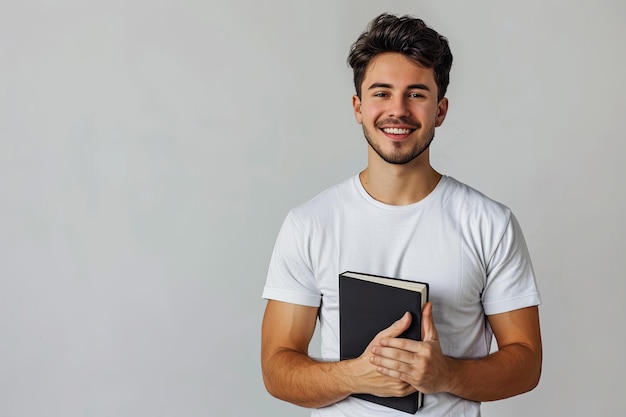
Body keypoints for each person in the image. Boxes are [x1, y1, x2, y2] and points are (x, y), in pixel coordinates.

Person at [261, 13, 542, 417]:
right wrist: (356, 376)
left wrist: (445, 375)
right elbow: (276, 369)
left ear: (440, 110)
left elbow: (527, 362)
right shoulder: (310, 223)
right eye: (381, 93)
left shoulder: (489, 223)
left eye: (416, 94)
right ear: (358, 107)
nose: (398, 110)